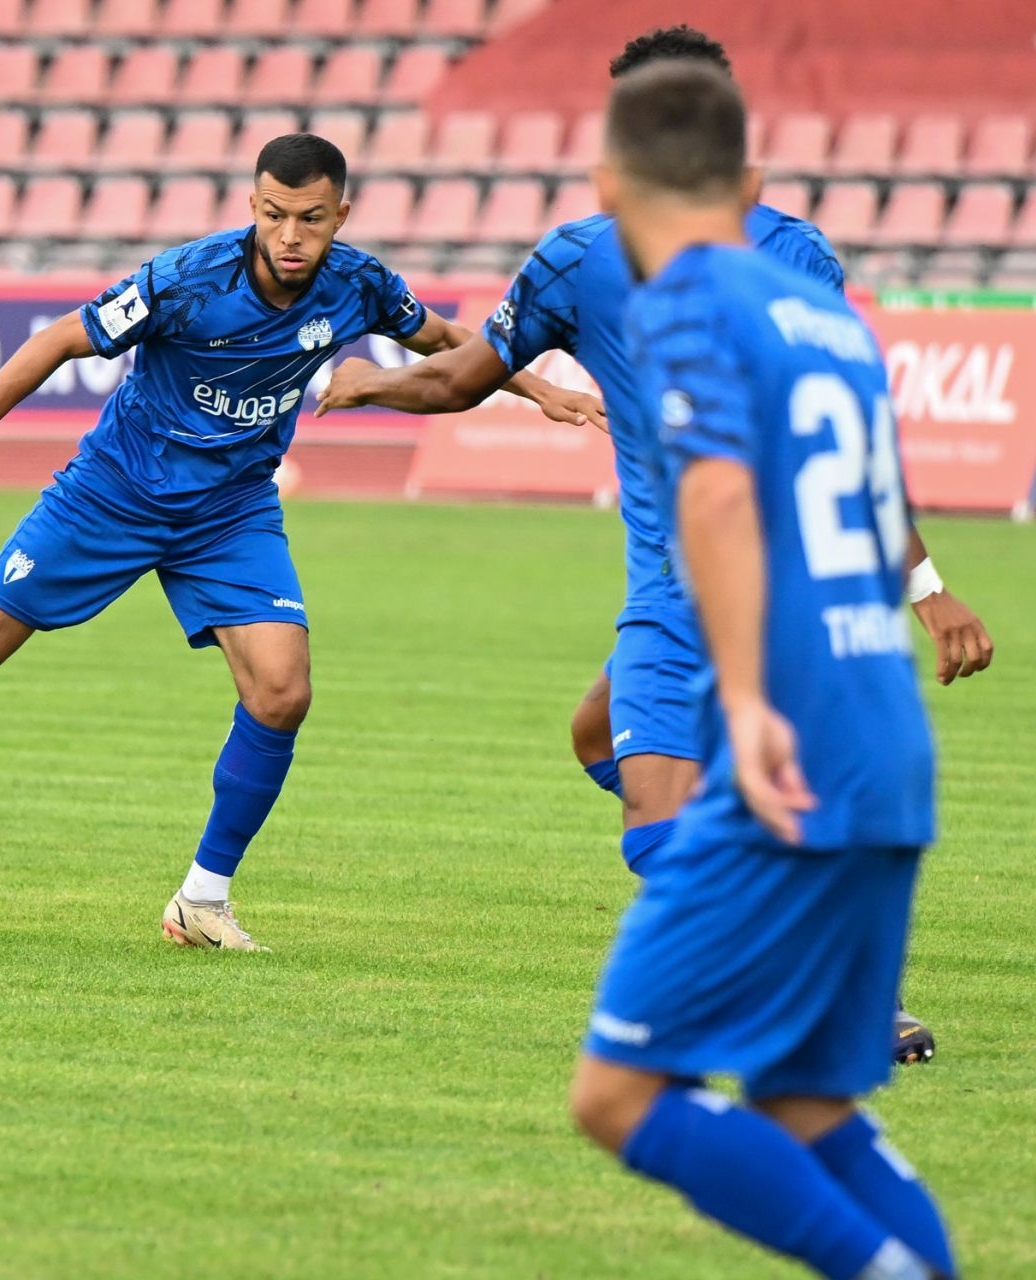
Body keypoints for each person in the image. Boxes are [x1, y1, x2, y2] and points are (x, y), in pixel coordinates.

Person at [315, 26, 990, 1063]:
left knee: (657, 813)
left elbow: (829, 436)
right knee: (598, 737)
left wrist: (929, 581)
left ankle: (824, 986)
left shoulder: (647, 255)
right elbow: (461, 375)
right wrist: (384, 385)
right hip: (786, 592)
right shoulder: (619, 259)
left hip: (699, 586)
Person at [0, 134, 603, 950]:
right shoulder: (186, 281)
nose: (291, 236)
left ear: (342, 216)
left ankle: (202, 899)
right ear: (252, 207)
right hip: (117, 493)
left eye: (312, 219)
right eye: (275, 215)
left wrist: (536, 387)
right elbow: (57, 342)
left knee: (283, 692)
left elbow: (438, 338)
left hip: (231, 511)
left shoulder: (358, 283)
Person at [566, 61, 955, 1279]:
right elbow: (885, 512)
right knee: (806, 1098)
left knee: (619, 1091)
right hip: (886, 734)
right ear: (751, 184)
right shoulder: (826, 309)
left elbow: (720, 494)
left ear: (606, 183)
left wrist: (740, 698)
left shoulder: (683, 300)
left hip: (788, 744)